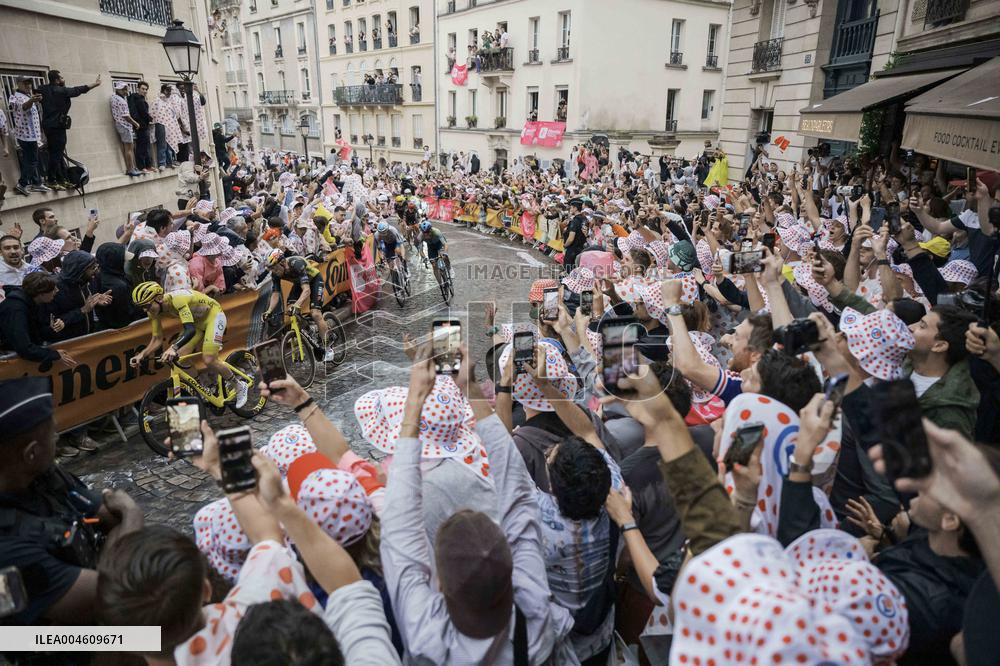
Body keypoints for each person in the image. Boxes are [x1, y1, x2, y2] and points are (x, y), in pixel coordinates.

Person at [0, 376, 143, 625]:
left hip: (97, 598)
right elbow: (112, 593)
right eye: (53, 434)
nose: (57, 439)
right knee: (157, 637)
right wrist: (133, 514)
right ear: (31, 453)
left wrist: (106, 567)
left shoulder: (44, 476)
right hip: (43, 644)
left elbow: (109, 514)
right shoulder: (7, 547)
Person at [129, 282, 250, 407]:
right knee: (179, 359)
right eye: (141, 307)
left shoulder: (177, 300)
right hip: (197, 322)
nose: (145, 310)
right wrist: (142, 355)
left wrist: (173, 347)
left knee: (209, 359)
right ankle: (204, 389)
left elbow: (189, 330)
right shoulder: (152, 312)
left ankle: (239, 386)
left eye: (147, 306)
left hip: (213, 316)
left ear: (159, 298)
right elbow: (157, 338)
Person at [262, 250, 337, 362]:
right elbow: (275, 294)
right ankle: (309, 329)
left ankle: (328, 348)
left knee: (315, 314)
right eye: (271, 268)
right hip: (299, 284)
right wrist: (269, 310)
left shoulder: (296, 264)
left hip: (315, 280)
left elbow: (306, 290)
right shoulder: (275, 273)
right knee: (290, 310)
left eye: (275, 267)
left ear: (283, 262)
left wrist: (297, 304)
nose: (274, 271)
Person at [37, 70, 102, 190]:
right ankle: (51, 180)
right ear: (56, 80)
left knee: (56, 153)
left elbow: (37, 90)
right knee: (56, 154)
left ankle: (61, 178)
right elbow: (79, 89)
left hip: (48, 126)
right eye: (61, 78)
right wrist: (96, 84)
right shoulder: (62, 91)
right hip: (57, 126)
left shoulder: (43, 89)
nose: (63, 80)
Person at [0, 272, 74, 369]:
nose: (57, 290)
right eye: (53, 289)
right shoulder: (16, 309)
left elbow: (36, 333)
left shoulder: (34, 303)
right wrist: (54, 355)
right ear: (41, 293)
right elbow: (24, 348)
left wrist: (52, 329)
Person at [8, 76, 48, 195]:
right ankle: (22, 184)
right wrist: (32, 101)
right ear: (19, 84)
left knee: (31, 160)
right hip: (26, 135)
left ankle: (36, 183)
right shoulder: (15, 96)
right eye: (25, 83)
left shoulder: (27, 96)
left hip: (32, 135)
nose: (29, 85)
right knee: (32, 160)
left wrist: (34, 99)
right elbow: (23, 107)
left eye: (30, 83)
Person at [110, 81, 141, 177]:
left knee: (128, 148)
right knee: (129, 149)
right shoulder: (121, 101)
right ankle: (131, 169)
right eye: (124, 89)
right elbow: (126, 116)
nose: (126, 91)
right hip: (124, 126)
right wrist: (135, 123)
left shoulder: (113, 98)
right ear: (118, 90)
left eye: (126, 89)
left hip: (120, 125)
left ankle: (131, 168)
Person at [127, 80, 155, 173]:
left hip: (144, 125)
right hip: (140, 126)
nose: (145, 91)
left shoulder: (141, 99)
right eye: (143, 89)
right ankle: (142, 167)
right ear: (138, 88)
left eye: (146, 89)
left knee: (146, 146)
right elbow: (140, 112)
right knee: (141, 147)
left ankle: (148, 165)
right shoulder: (136, 98)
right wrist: (149, 119)